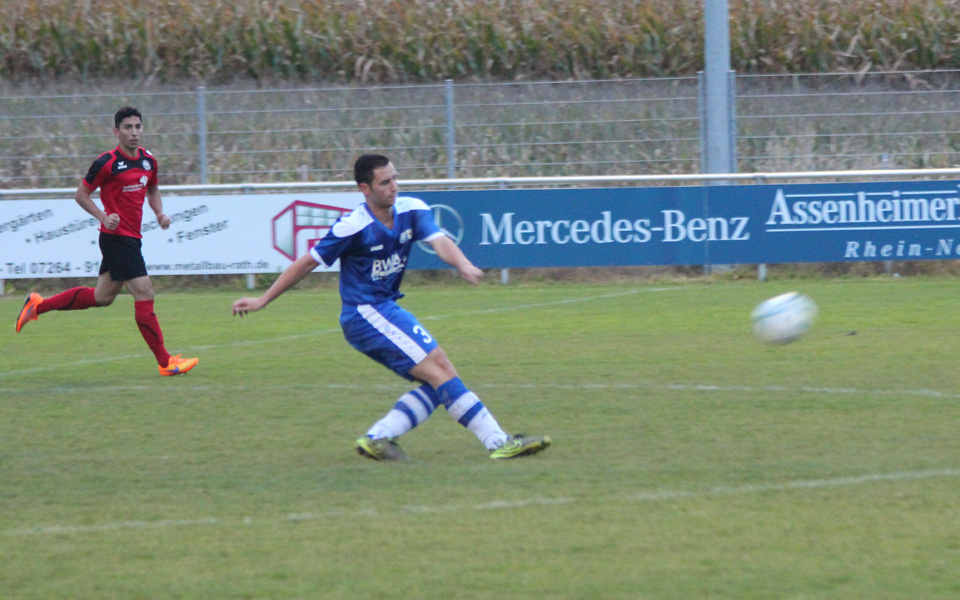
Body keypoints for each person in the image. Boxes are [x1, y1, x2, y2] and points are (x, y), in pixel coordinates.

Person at [232, 154, 550, 460]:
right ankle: (498, 443)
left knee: (438, 379)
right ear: (365, 189)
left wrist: (463, 264)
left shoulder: (411, 210)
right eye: (385, 182)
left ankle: (378, 438)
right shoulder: (353, 226)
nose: (394, 187)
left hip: (386, 309)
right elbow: (306, 263)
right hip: (364, 314)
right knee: (441, 370)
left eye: (395, 178)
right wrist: (263, 299)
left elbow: (439, 241)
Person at [15, 106, 199, 377]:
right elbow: (81, 195)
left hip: (132, 238)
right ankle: (165, 362)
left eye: (138, 126)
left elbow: (153, 188)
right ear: (117, 132)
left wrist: (159, 213)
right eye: (128, 127)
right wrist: (103, 215)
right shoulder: (107, 163)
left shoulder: (148, 160)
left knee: (103, 297)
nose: (134, 132)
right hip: (115, 238)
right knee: (145, 293)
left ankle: (37, 305)